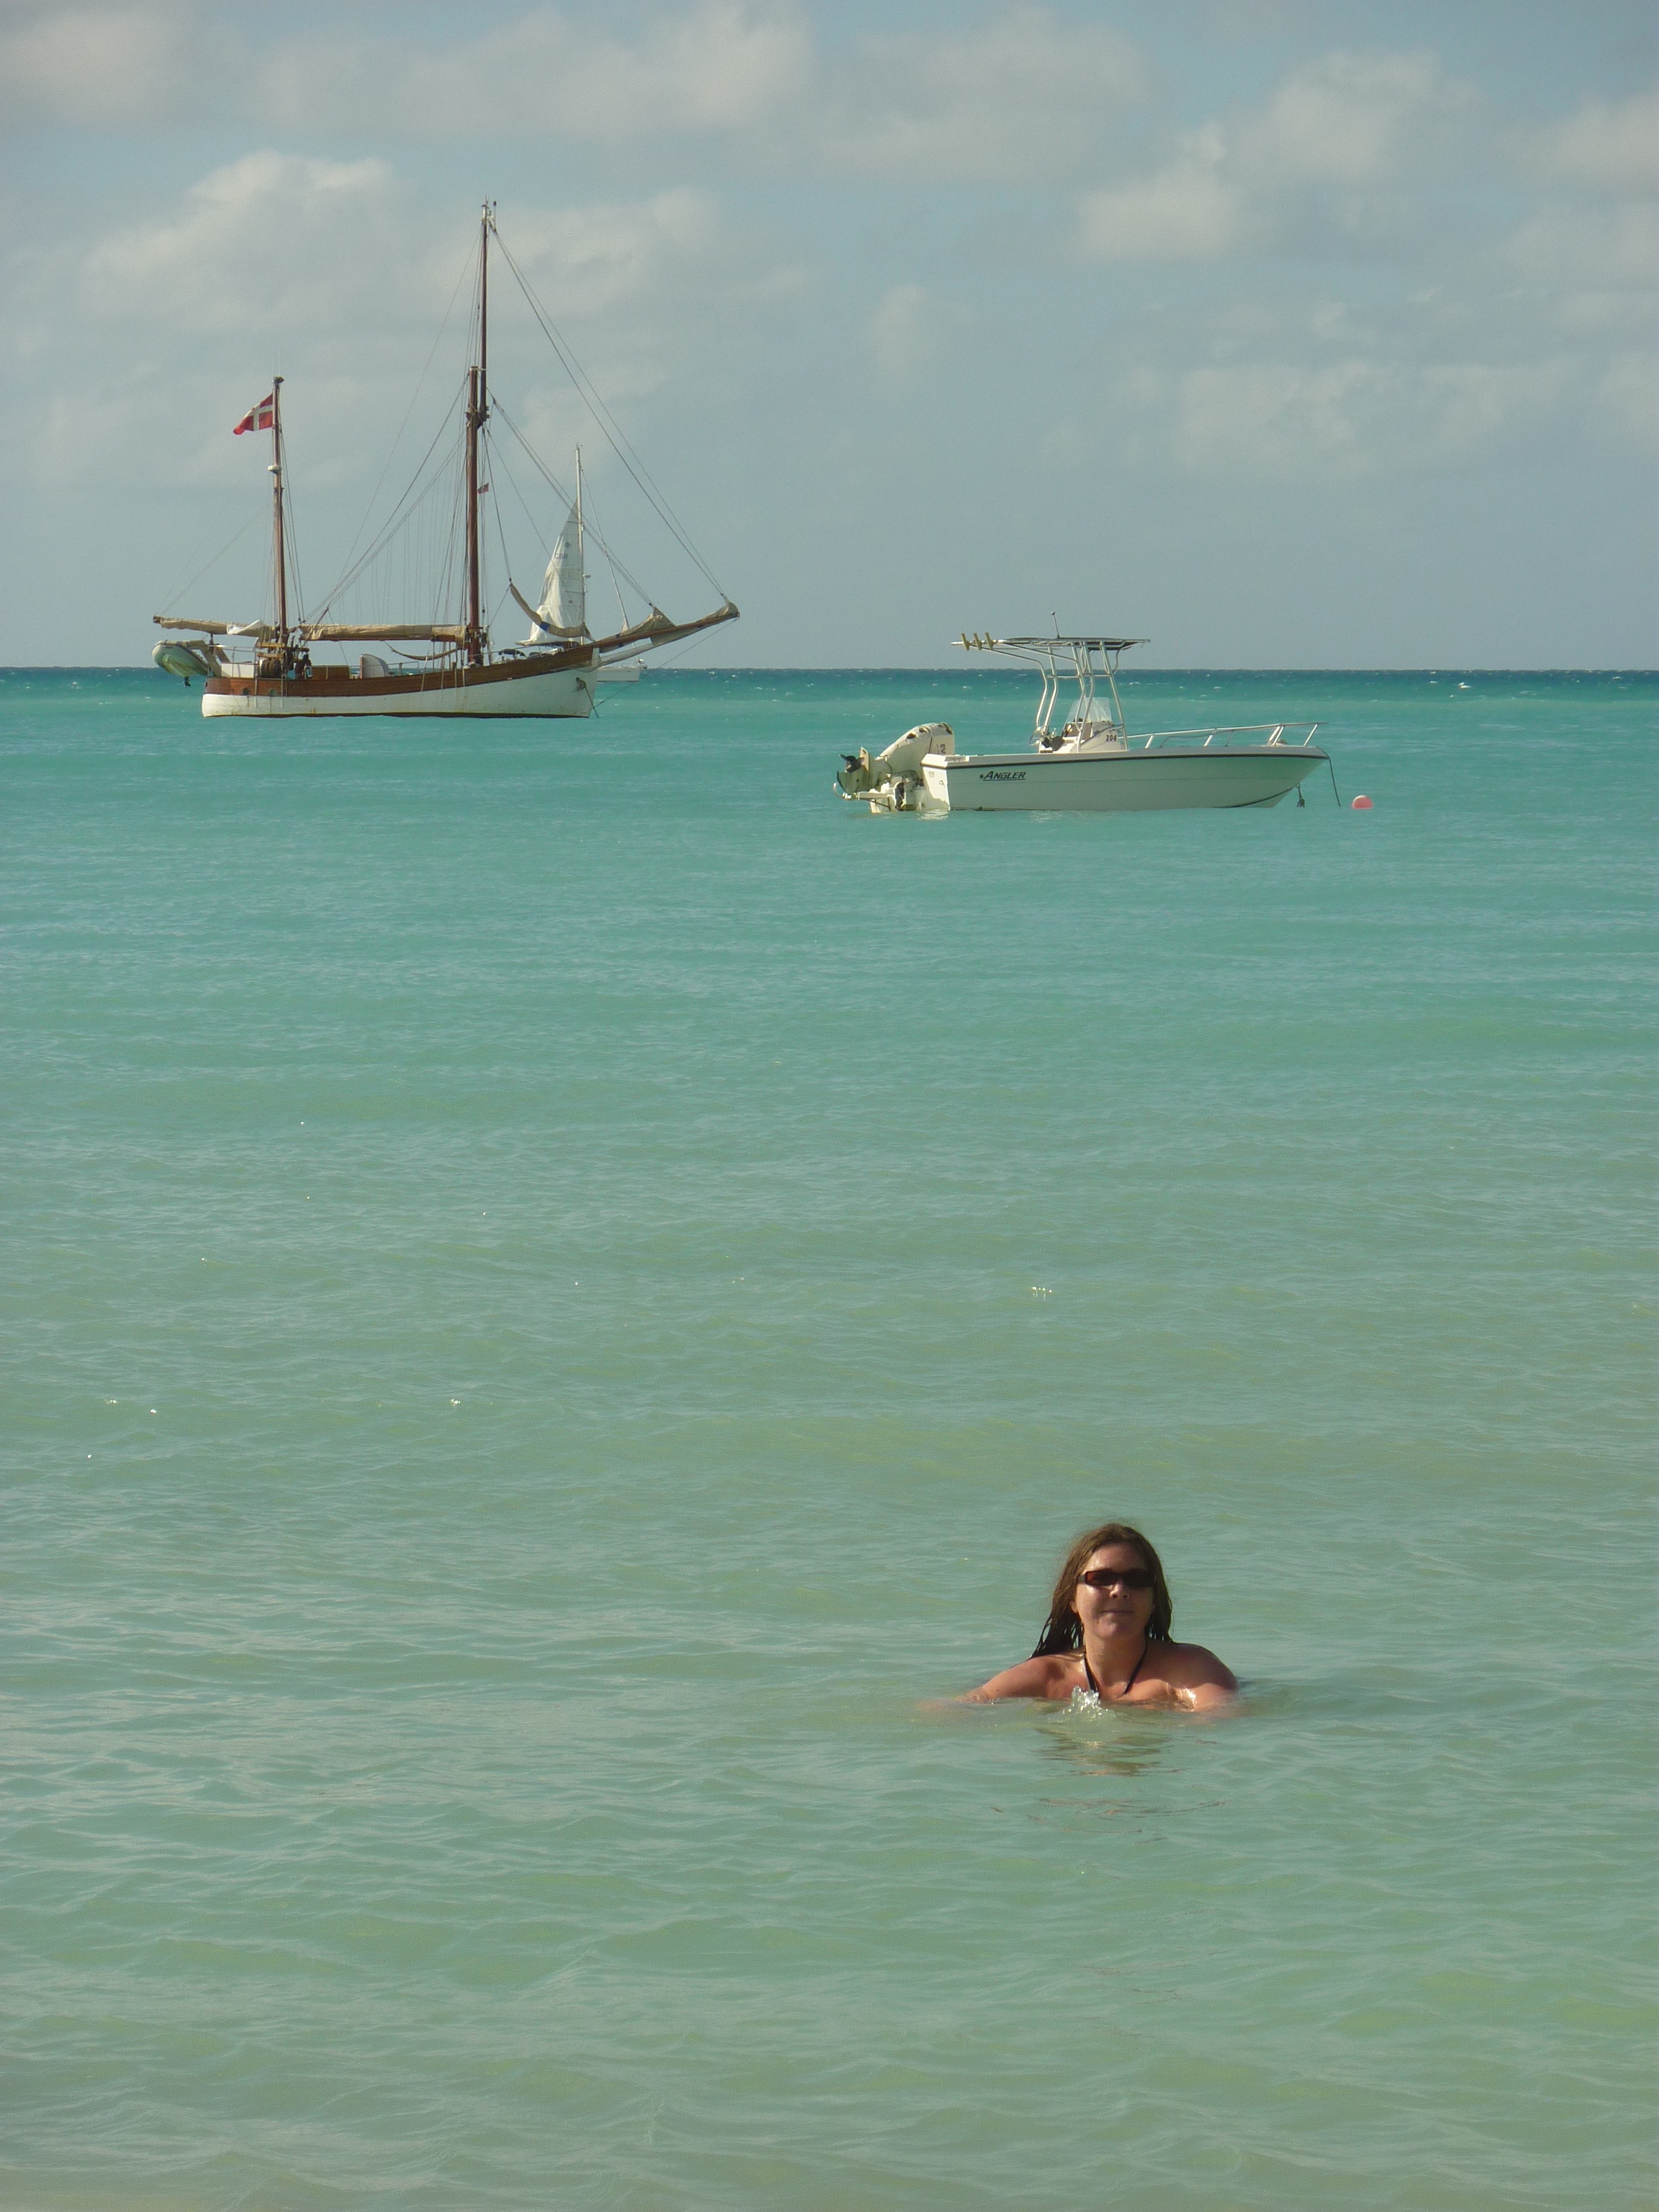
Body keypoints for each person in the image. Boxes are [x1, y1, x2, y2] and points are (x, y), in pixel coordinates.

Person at [966, 1521, 1238, 1709]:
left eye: (1137, 1580)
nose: (1120, 1590)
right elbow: (959, 1711)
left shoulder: (1192, 1671)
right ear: (1072, 1598)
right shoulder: (1046, 1677)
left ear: (1154, 1600)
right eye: (1101, 1579)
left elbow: (1225, 1723)